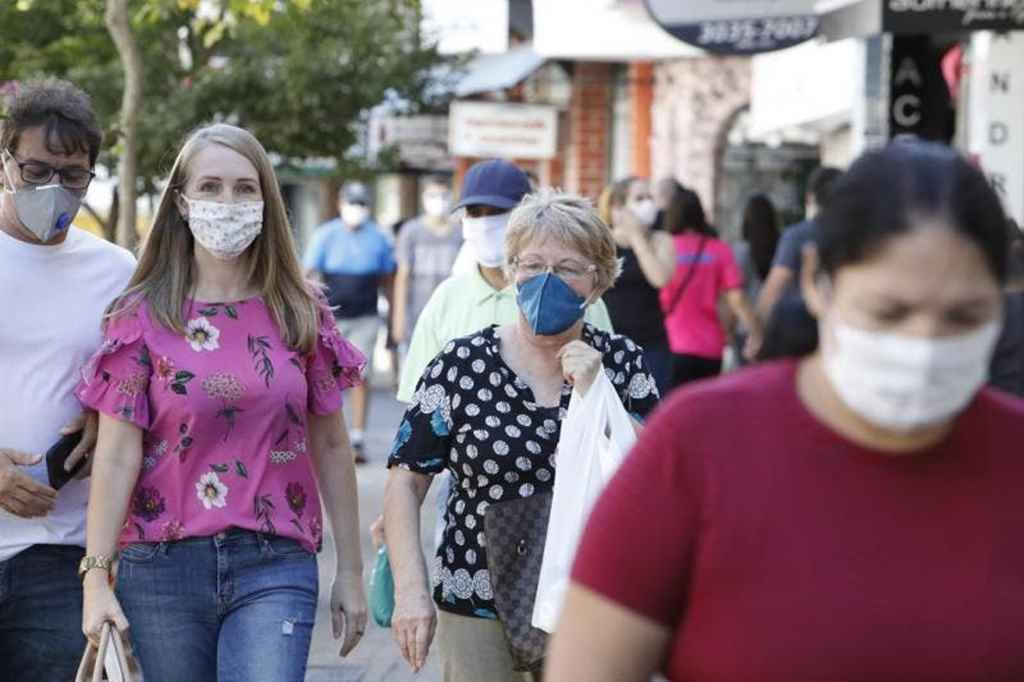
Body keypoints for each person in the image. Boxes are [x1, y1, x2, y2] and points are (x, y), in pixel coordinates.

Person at [547, 142, 1024, 682]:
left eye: (964, 316)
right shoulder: (700, 446)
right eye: (888, 311)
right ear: (818, 282)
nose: (926, 344)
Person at [77, 124, 368, 682]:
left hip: (275, 563)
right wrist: (96, 579)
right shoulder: (140, 316)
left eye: (244, 188)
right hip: (161, 566)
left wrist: (351, 571)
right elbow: (115, 456)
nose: (227, 203)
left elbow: (331, 443)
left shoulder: (300, 313)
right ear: (182, 203)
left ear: (267, 202)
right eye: (210, 187)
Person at [385, 189, 660, 682]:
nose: (547, 280)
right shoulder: (460, 365)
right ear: (512, 272)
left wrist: (599, 396)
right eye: (533, 264)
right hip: (476, 595)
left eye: (569, 268)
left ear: (597, 283)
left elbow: (653, 477)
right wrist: (411, 592)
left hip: (587, 602)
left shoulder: (621, 364)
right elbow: (405, 481)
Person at [0, 78, 136, 680]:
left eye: (73, 175)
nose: (53, 188)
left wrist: (104, 412)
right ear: (4, 158)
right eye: (35, 169)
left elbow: (141, 390)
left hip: (59, 554)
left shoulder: (116, 272)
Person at [397, 159, 614, 404]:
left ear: (526, 218)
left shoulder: (574, 295)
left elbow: (610, 382)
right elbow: (418, 399)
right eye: (475, 213)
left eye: (498, 212)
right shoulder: (447, 297)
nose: (485, 223)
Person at [304, 181, 396, 462]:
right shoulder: (326, 235)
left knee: (360, 375)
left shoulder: (378, 238)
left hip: (365, 315)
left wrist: (392, 318)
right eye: (351, 203)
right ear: (341, 204)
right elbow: (307, 273)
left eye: (361, 204)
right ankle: (323, 435)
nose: (356, 209)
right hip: (330, 317)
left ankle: (357, 436)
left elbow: (388, 278)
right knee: (322, 377)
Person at [660, 186, 761, 387]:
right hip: (710, 347)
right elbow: (736, 298)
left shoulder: (664, 248)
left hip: (670, 344)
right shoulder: (719, 250)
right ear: (700, 214)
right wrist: (756, 332)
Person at [598, 176, 676, 395]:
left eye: (650, 197)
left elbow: (659, 278)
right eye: (639, 198)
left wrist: (637, 238)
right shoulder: (602, 243)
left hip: (650, 343)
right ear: (618, 207)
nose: (647, 204)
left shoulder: (661, 240)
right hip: (608, 342)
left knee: (650, 415)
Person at [755, 166, 842, 320]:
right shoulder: (861, 236)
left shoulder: (798, 235)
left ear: (810, 197)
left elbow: (776, 284)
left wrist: (756, 331)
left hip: (800, 326)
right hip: (843, 322)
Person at [392, 176, 462, 359]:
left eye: (443, 195)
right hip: (416, 315)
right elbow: (402, 276)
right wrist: (398, 320)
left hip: (452, 314)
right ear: (423, 198)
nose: (438, 201)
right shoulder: (411, 231)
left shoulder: (460, 232)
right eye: (432, 195)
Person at [729, 193, 780, 365]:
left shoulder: (740, 251)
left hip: (746, 328)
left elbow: (735, 295)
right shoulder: (782, 248)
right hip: (774, 325)